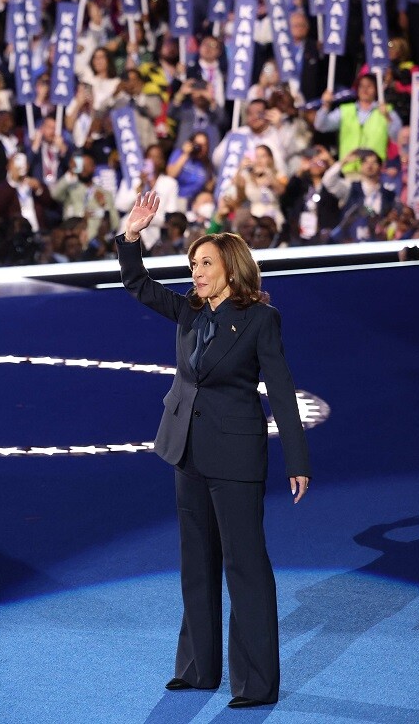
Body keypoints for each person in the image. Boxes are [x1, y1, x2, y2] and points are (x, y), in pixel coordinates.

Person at [117, 190, 311, 709]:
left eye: (206, 263)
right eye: (193, 263)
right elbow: (137, 283)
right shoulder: (189, 312)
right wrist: (132, 235)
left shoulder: (259, 321)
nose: (197, 272)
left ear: (231, 267)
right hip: (188, 453)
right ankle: (199, 668)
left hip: (237, 458)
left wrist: (297, 460)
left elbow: (284, 390)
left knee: (245, 567)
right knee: (196, 563)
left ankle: (256, 683)